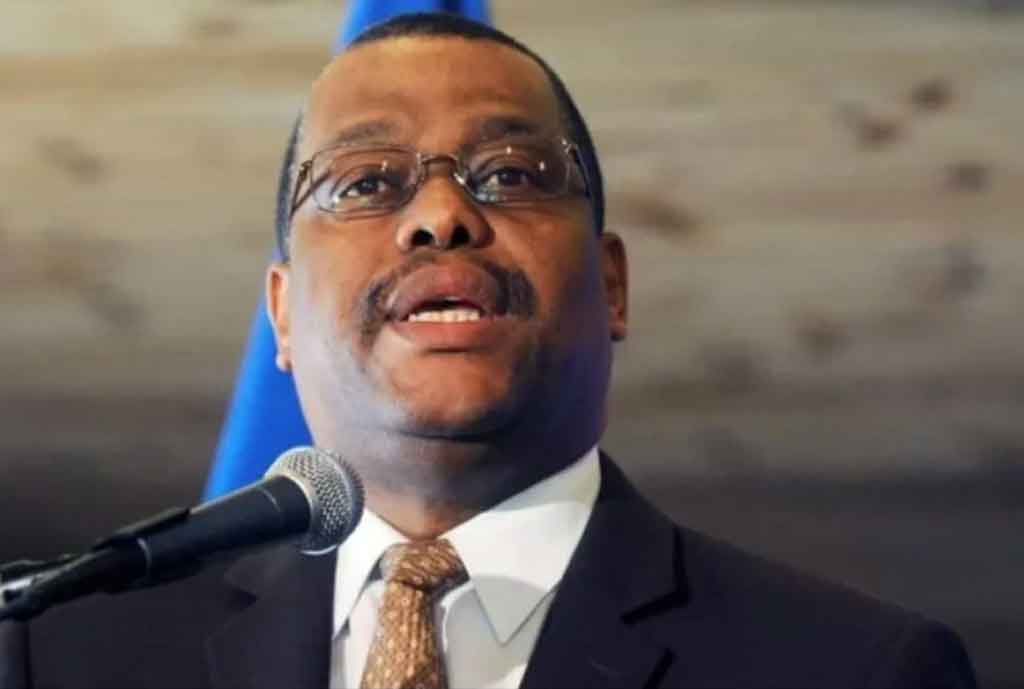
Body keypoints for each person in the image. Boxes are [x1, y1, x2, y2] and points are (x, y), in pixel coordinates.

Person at [0, 12, 976, 689]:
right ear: (283, 317)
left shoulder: (855, 667)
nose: (440, 214)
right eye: (364, 182)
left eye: (509, 173)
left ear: (612, 284)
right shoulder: (66, 654)